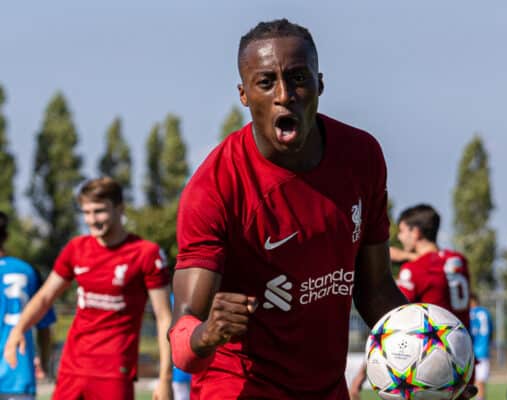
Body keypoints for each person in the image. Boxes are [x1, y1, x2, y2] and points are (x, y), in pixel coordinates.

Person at [169, 19, 477, 400]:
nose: (284, 94)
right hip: (239, 387)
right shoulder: (215, 187)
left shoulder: (361, 156)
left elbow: (375, 288)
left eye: (298, 78)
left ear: (320, 84)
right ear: (244, 94)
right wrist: (207, 333)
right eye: (265, 82)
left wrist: (437, 366)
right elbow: (182, 340)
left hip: (325, 387)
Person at [3, 178, 173, 400]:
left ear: (120, 208)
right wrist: (19, 329)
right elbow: (45, 297)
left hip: (114, 371)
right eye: (86, 212)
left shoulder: (146, 253)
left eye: (99, 211)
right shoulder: (76, 248)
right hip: (72, 367)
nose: (92, 220)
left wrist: (165, 378)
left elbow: (163, 318)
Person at [349, 204, 472, 399]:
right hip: (463, 356)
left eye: (403, 231)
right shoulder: (457, 261)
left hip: (432, 363)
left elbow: (394, 324)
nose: (399, 237)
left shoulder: (415, 270)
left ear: (416, 232)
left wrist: (360, 376)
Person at [0, 211, 56, 400]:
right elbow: (45, 325)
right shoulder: (27, 271)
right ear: (6, 236)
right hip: (19, 374)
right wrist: (45, 363)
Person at [470, 293, 493, 400]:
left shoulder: (470, 313)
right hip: (484, 351)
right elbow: (491, 333)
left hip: (471, 352)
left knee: (471, 383)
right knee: (481, 382)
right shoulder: (486, 313)